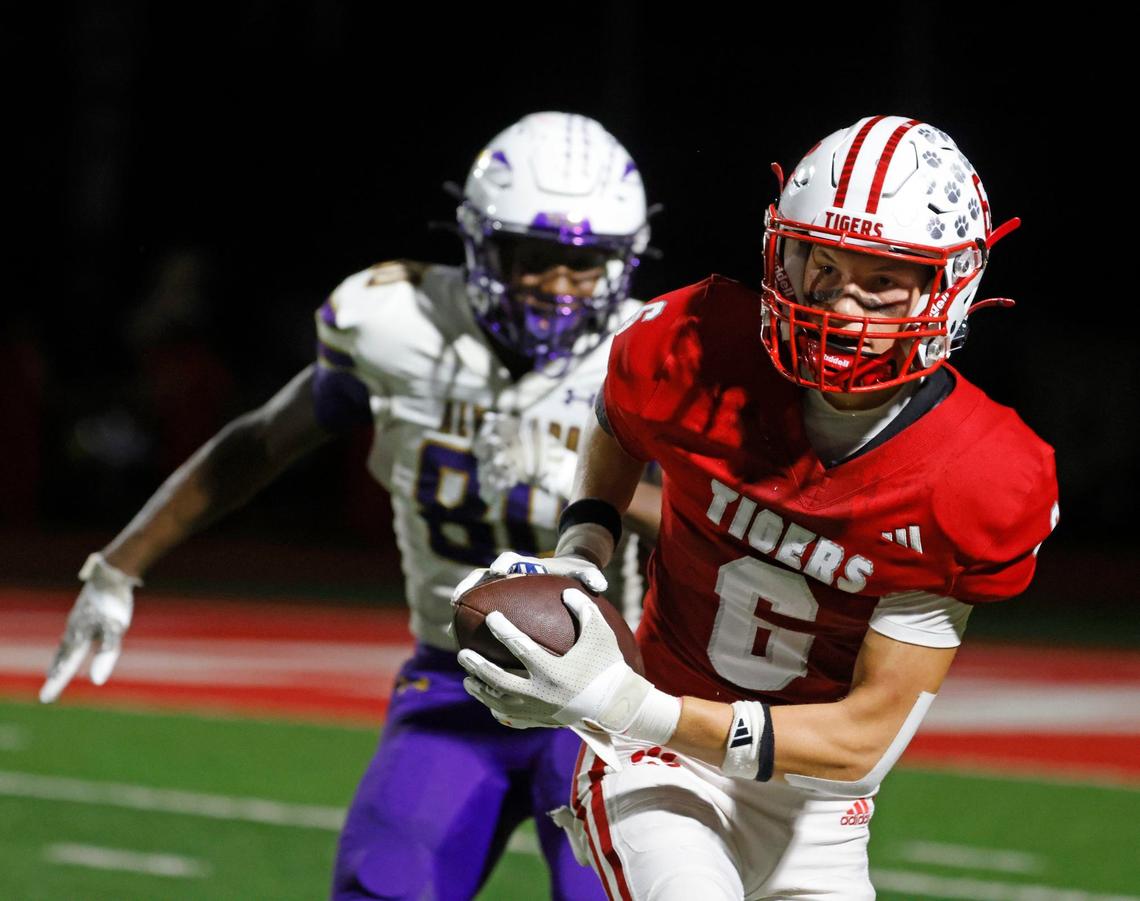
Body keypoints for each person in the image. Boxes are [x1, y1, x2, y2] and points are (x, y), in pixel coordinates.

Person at [40, 111, 662, 901]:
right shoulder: (395, 326)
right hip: (453, 676)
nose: (559, 287)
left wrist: (596, 495)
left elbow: (712, 521)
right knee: (383, 887)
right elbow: (259, 443)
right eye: (534, 258)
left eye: (586, 265)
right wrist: (118, 565)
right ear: (479, 244)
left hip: (606, 699)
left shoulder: (651, 348)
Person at [453, 116, 1060, 899]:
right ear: (783, 252)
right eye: (820, 263)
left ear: (949, 286)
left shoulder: (973, 476)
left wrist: (630, 702)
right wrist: (584, 547)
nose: (841, 306)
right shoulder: (698, 343)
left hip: (818, 800)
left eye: (881, 278)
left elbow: (862, 742)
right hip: (653, 768)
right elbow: (619, 417)